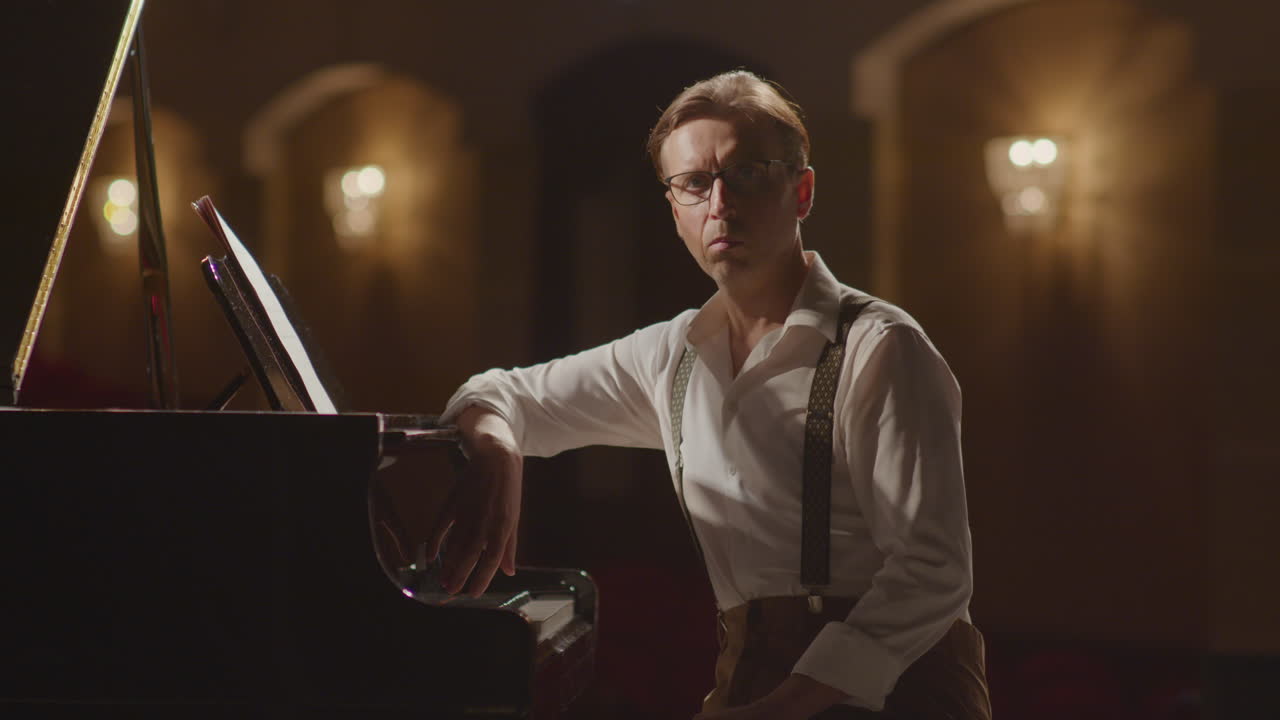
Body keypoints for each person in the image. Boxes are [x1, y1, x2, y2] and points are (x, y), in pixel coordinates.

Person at [433, 70, 991, 719]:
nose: (719, 203)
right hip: (750, 675)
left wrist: (786, 707)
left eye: (746, 173)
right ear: (675, 210)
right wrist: (499, 449)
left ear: (802, 191)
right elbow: (500, 394)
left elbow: (933, 571)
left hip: (900, 689)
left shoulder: (881, 348)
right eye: (695, 183)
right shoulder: (670, 356)